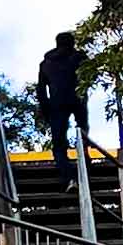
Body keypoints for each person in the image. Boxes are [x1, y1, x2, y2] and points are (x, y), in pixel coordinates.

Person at [36, 31, 89, 188]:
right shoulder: (80, 58)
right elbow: (89, 78)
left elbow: (41, 89)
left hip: (57, 103)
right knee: (82, 133)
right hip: (78, 100)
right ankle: (85, 166)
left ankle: (68, 177)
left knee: (59, 143)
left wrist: (46, 108)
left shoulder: (46, 63)